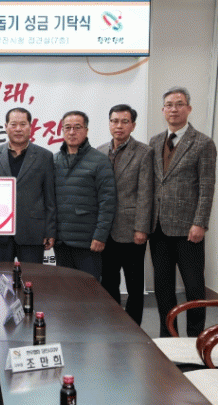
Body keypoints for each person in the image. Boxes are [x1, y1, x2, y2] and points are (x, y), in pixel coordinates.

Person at [149, 87, 217, 337]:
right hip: (158, 228)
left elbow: (207, 187)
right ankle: (168, 337)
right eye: (169, 105)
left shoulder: (203, 143)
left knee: (194, 287)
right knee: (163, 287)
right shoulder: (155, 141)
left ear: (189, 108)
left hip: (189, 229)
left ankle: (196, 337)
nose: (174, 109)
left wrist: (200, 223)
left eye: (179, 104)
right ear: (163, 110)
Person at [97, 104, 153, 325]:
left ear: (133, 125)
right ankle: (112, 326)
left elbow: (146, 193)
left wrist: (142, 228)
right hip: (105, 230)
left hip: (132, 230)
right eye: (114, 121)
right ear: (109, 123)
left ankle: (134, 327)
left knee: (134, 285)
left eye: (124, 121)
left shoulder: (144, 152)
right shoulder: (100, 151)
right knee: (108, 282)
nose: (118, 126)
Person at [0, 107, 56, 264]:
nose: (18, 129)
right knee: (0, 276)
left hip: (33, 232)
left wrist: (50, 231)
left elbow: (49, 197)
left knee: (32, 277)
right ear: (6, 127)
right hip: (0, 232)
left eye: (23, 124)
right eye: (13, 124)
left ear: (30, 127)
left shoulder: (44, 156)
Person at [53, 110, 116, 280]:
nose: (72, 132)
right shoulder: (54, 160)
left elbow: (108, 201)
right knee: (65, 287)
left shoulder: (99, 160)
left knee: (89, 289)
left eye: (77, 127)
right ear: (62, 130)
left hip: (88, 241)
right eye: (67, 127)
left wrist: (100, 236)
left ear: (86, 130)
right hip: (61, 241)